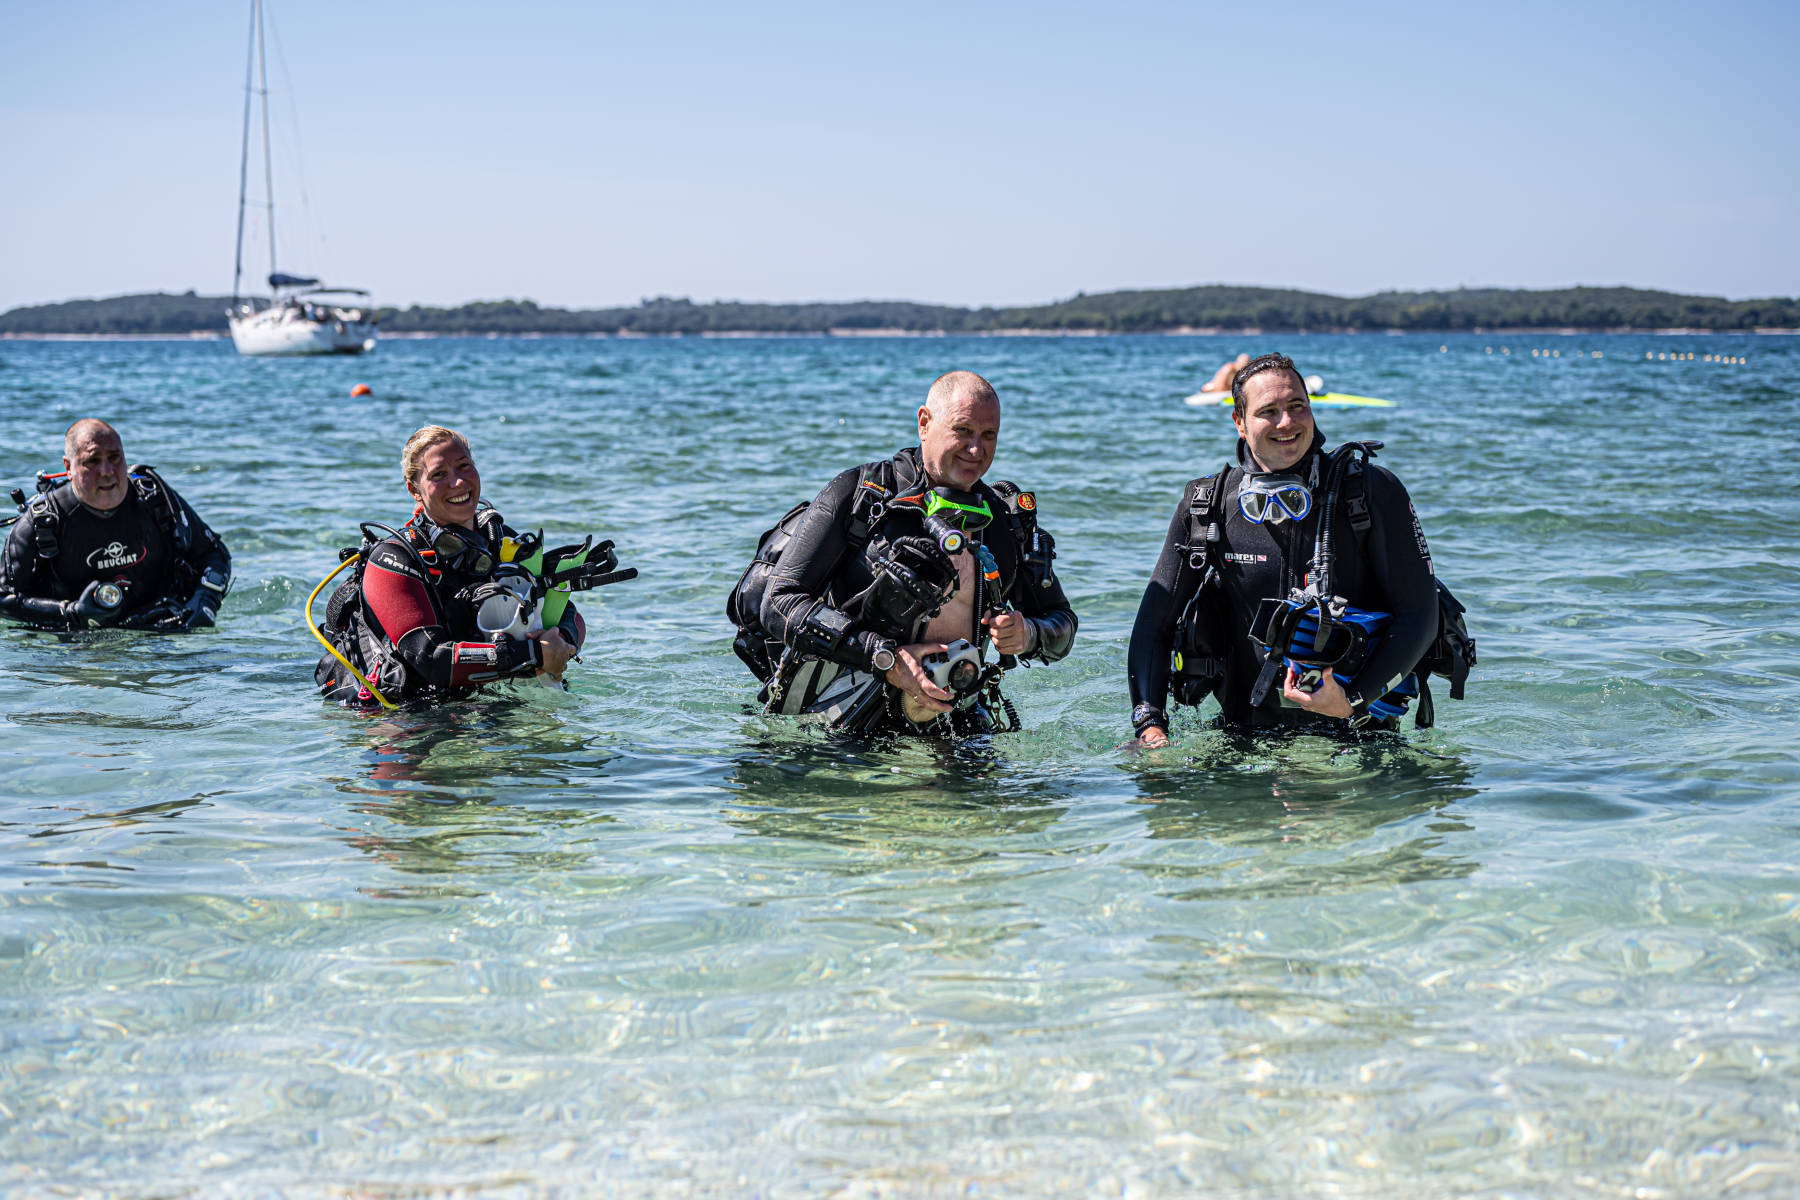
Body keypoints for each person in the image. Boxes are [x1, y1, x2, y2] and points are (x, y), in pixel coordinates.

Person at [737, 370, 1078, 734]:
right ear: (924, 423)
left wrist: (1028, 634)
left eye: (988, 435)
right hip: (841, 721)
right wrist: (884, 658)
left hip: (955, 722)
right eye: (962, 431)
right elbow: (778, 602)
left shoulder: (1004, 524)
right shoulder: (860, 496)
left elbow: (1062, 623)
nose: (976, 449)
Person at [1128, 353, 1437, 744]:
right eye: (1268, 411)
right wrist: (1150, 724)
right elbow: (1154, 624)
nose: (1286, 422)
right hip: (1240, 736)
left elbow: (1421, 618)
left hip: (1356, 738)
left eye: (1297, 407)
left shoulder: (1369, 492)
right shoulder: (1208, 504)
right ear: (1239, 422)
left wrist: (1353, 701)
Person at [314, 425, 589, 705]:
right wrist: (533, 655)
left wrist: (560, 643)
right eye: (439, 474)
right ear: (414, 489)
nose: (458, 482)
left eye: (464, 466)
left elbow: (566, 611)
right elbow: (430, 656)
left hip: (483, 701)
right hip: (408, 715)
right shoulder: (394, 559)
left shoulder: (498, 539)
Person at [0, 419, 231, 631]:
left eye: (114, 457)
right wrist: (71, 613)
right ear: (68, 467)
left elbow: (214, 554)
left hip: (160, 628)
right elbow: (3, 598)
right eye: (92, 461)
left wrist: (204, 601)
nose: (107, 472)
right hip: (78, 646)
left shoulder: (155, 498)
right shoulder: (44, 520)